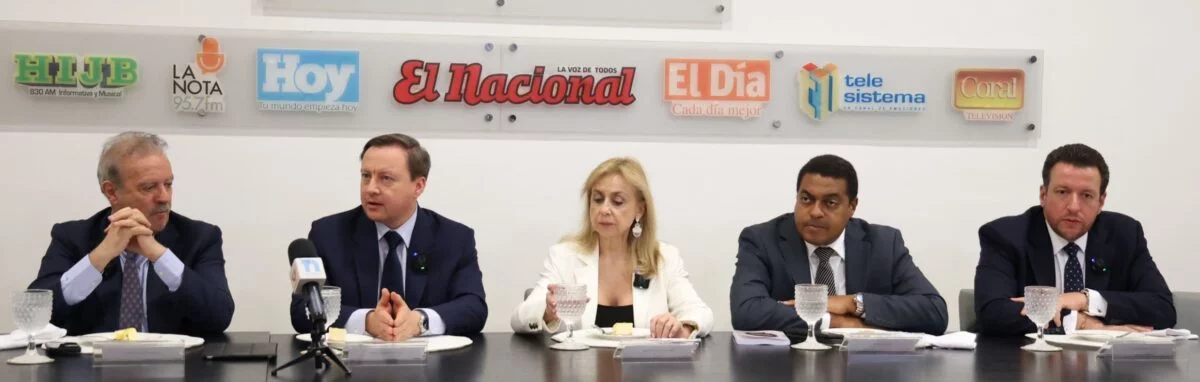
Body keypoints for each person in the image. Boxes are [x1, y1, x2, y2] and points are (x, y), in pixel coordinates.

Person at [29, 131, 234, 336]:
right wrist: (100, 257)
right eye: (149, 187)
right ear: (111, 192)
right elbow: (36, 315)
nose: (164, 197)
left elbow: (219, 316)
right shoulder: (72, 237)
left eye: (168, 184)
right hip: (91, 365)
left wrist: (159, 255)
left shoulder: (199, 237)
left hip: (175, 365)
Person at [292, 133, 487, 340]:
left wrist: (420, 321)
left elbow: (474, 307)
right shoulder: (328, 234)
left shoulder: (454, 238)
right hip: (348, 368)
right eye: (366, 176)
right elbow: (301, 310)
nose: (371, 189)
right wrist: (366, 321)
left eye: (386, 178)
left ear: (418, 186)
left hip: (432, 367)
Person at [730, 154, 947, 336]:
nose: (815, 211)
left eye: (830, 203)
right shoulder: (762, 240)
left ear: (852, 206)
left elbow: (934, 312)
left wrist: (854, 304)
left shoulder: (883, 243)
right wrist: (837, 323)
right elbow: (747, 311)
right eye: (806, 199)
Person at [974, 143, 1174, 335]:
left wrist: (1085, 300)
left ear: (1101, 202)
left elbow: (1162, 308)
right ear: (1043, 195)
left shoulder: (1125, 235)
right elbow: (992, 313)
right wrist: (1079, 322)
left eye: (1087, 195)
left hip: (1107, 368)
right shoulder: (1006, 236)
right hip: (1028, 365)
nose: (1074, 207)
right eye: (1063, 192)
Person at [511, 157, 713, 338]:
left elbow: (700, 313)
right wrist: (547, 312)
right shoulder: (565, 255)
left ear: (640, 209)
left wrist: (683, 328)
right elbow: (518, 319)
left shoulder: (664, 258)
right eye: (597, 199)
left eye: (617, 202)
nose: (604, 209)